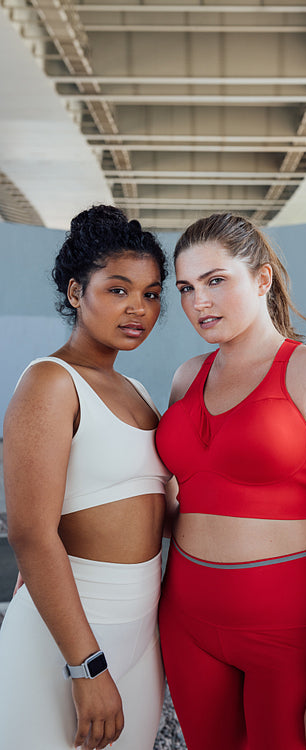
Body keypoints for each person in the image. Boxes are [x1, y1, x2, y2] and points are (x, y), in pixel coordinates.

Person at [155, 212, 306, 750]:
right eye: (185, 288)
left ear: (261, 279)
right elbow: (167, 504)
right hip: (186, 623)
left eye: (215, 280)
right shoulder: (187, 377)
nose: (198, 301)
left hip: (290, 633)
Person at [0, 205, 171, 750]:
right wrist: (86, 666)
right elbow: (29, 531)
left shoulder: (140, 393)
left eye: (150, 293)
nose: (138, 309)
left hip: (142, 632)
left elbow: (159, 514)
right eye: (118, 290)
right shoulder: (51, 383)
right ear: (76, 292)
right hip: (69, 637)